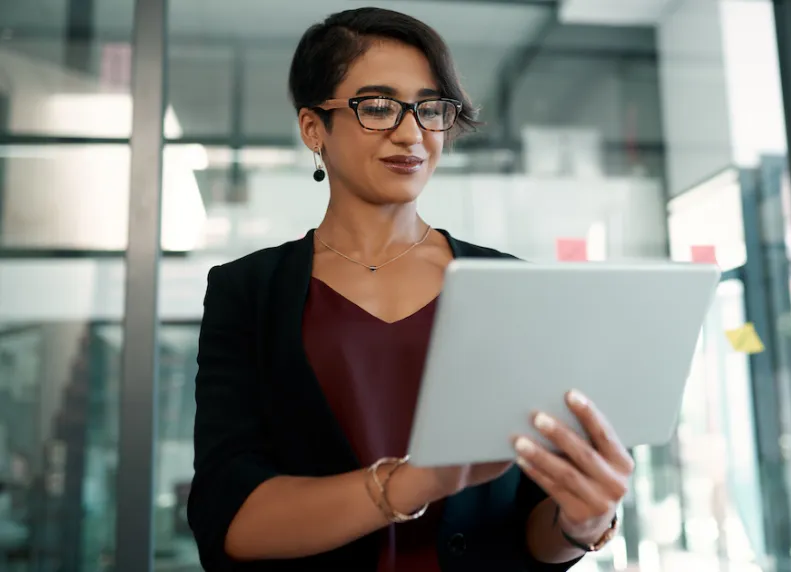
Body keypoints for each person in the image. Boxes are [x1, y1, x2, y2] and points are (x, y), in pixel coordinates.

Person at [186, 7, 634, 571]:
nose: (411, 133)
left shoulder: (513, 287)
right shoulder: (248, 292)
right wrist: (412, 483)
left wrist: (582, 523)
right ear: (313, 128)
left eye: (430, 108)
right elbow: (229, 519)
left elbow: (533, 530)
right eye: (377, 107)